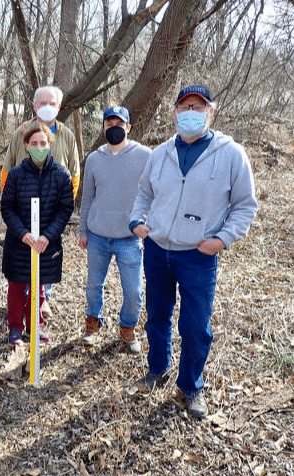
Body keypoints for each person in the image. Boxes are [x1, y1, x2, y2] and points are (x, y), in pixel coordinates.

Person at [130, 85, 258, 418]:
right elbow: (144, 193)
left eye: (198, 107)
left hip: (198, 255)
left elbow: (245, 205)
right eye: (185, 106)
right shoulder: (160, 154)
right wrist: (136, 221)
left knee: (196, 325)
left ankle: (190, 387)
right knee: (157, 315)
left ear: (210, 112)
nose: (190, 112)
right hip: (157, 249)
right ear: (174, 112)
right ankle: (157, 369)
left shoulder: (230, 154)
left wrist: (223, 239)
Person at [2, 85, 80, 318]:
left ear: (59, 106)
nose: (47, 107)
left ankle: (41, 300)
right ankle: (19, 312)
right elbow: (7, 173)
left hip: (50, 216)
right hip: (22, 217)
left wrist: (59, 212)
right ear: (34, 106)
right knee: (20, 271)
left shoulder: (66, 135)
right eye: (42, 103)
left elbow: (74, 175)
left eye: (52, 103)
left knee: (44, 266)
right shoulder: (21, 133)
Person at [78, 106, 151, 354]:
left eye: (119, 124)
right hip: (98, 235)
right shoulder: (94, 159)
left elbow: (153, 195)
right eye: (109, 123)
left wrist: (146, 229)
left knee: (134, 291)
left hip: (129, 238)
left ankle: (128, 327)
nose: (114, 128)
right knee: (93, 285)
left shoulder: (144, 156)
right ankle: (93, 322)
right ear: (103, 127)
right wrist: (82, 231)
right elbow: (87, 198)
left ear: (128, 127)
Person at [1, 123, 74, 345]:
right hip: (19, 243)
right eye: (34, 143)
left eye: (43, 143)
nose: (39, 147)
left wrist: (48, 236)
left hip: (46, 244)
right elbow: (7, 208)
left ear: (50, 144)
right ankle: (15, 327)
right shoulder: (16, 174)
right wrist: (22, 233)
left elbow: (65, 209)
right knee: (16, 287)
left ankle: (35, 326)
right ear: (26, 145)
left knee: (38, 286)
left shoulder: (61, 175)